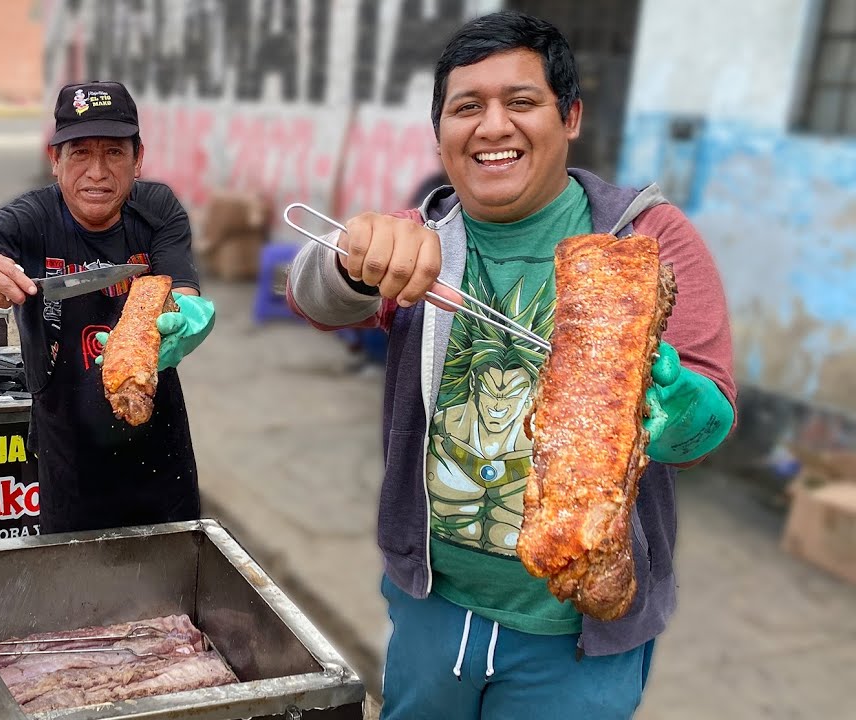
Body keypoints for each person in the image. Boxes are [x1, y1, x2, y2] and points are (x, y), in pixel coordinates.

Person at [287, 11, 735, 719]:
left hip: (579, 630)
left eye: (521, 102)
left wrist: (679, 411)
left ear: (572, 118)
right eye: (467, 108)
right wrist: (350, 259)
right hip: (432, 603)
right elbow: (315, 298)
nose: (492, 127)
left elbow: (709, 414)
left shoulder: (643, 242)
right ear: (440, 134)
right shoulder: (421, 238)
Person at [0, 81, 216, 535]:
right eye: (80, 153)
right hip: (67, 455)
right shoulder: (25, 221)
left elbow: (182, 291)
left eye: (114, 153)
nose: (97, 172)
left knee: (173, 597)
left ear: (138, 159)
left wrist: (185, 321)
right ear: (54, 160)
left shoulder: (158, 209)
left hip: (160, 448)